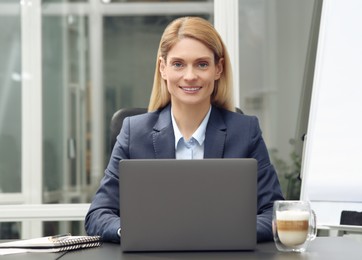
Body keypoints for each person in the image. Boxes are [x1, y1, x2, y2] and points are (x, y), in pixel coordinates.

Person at [85, 16, 284, 243]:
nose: (190, 76)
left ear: (218, 69)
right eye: (178, 64)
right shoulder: (133, 133)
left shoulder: (245, 131)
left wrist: (220, 232)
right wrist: (135, 231)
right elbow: (98, 215)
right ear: (163, 68)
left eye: (202, 64)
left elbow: (273, 213)